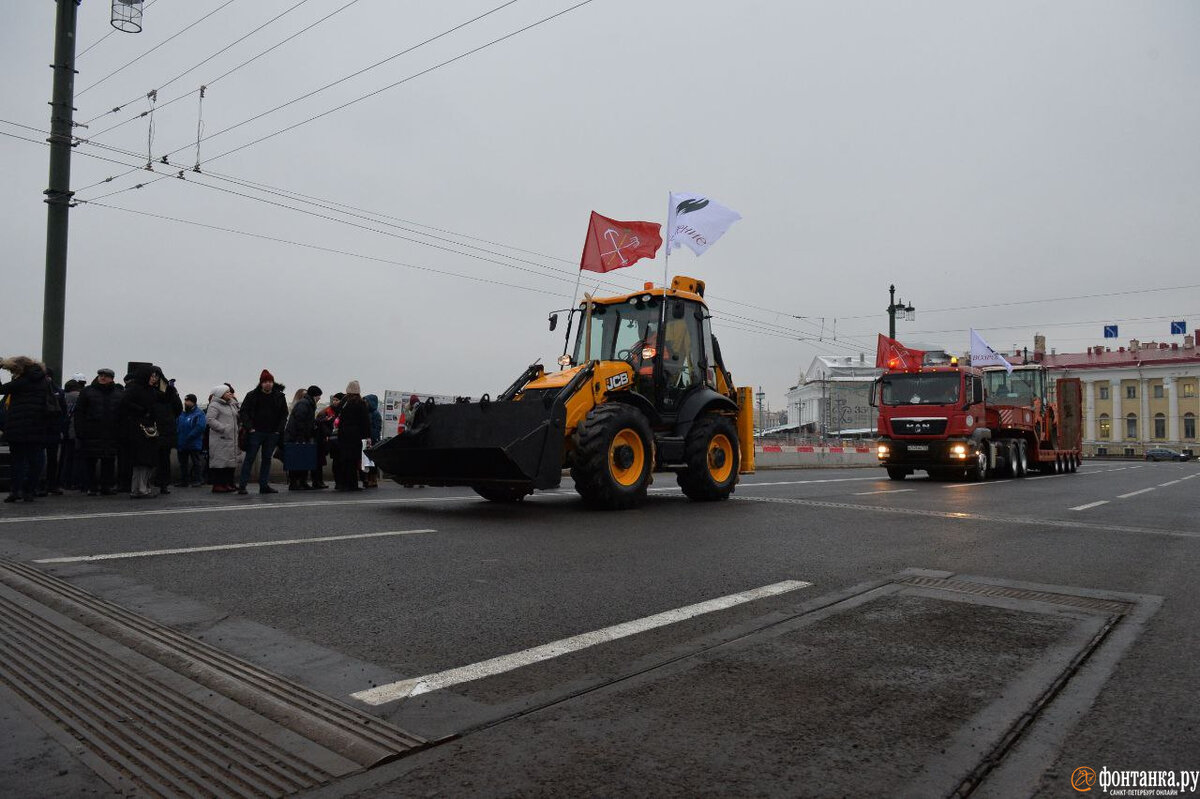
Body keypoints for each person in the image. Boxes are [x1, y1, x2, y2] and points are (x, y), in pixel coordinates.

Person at [0, 356, 51, 503]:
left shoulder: (21, 382)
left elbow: (1, 389)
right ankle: (30, 490)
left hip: (18, 427)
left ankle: (16, 491)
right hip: (37, 426)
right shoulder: (43, 381)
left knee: (18, 462)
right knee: (35, 461)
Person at [237, 369, 288, 495]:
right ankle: (242, 485)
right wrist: (250, 428)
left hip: (272, 433)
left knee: (267, 459)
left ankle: (264, 485)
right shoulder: (252, 395)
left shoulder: (279, 396)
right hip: (256, 432)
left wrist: (278, 430)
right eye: (265, 382)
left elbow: (284, 414)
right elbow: (243, 412)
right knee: (250, 458)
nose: (268, 384)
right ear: (261, 383)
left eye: (270, 381)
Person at [74, 368, 123, 495]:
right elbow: (79, 413)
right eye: (100, 375)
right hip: (92, 432)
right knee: (90, 461)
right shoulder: (87, 392)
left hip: (111, 433)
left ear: (112, 378)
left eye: (105, 376)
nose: (102, 377)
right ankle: (91, 486)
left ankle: (106, 486)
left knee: (109, 461)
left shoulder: (118, 394)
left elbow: (122, 415)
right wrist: (80, 431)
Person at [118, 366, 162, 499]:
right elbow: (124, 404)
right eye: (152, 376)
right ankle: (138, 489)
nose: (155, 379)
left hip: (148, 428)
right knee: (140, 460)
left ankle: (144, 487)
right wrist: (142, 410)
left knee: (148, 460)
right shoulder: (134, 389)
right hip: (137, 428)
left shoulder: (151, 390)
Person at [151, 367, 183, 495]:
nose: (153, 378)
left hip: (162, 428)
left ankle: (162, 483)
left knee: (163, 458)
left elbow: (178, 408)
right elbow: (178, 409)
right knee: (160, 458)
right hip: (161, 427)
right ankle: (161, 483)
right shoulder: (169, 391)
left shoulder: (168, 391)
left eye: (155, 376)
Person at [284, 385, 322, 490]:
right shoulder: (305, 404)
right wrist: (301, 437)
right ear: (315, 395)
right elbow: (300, 421)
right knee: (297, 459)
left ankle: (300, 482)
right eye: (319, 396)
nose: (319, 398)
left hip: (298, 436)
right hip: (297, 437)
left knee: (301, 459)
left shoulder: (305, 403)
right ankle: (296, 483)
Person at [335, 382, 370, 491]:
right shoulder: (360, 403)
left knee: (344, 459)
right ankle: (352, 484)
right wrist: (367, 436)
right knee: (354, 460)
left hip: (343, 434)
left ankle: (342, 483)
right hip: (356, 435)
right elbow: (365, 422)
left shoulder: (343, 402)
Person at [205, 385, 241, 493]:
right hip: (220, 438)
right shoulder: (214, 405)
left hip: (231, 437)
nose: (230, 394)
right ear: (221, 394)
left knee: (228, 462)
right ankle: (218, 484)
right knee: (220, 462)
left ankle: (227, 484)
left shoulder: (231, 404)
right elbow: (210, 420)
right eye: (227, 392)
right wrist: (223, 428)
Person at [39, 367, 67, 496]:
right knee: (45, 459)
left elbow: (63, 412)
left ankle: (47, 484)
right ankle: (47, 484)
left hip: (49, 429)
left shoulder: (56, 392)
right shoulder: (58, 392)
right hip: (49, 429)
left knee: (49, 459)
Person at [176, 394, 207, 487]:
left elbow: (200, 427)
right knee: (183, 463)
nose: (185, 402)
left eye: (188, 401)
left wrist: (190, 436)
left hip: (193, 442)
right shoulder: (181, 414)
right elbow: (177, 425)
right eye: (185, 400)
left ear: (193, 402)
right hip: (182, 442)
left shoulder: (199, 413)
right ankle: (184, 481)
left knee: (196, 462)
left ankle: (198, 479)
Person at [316, 392, 343, 490]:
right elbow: (322, 425)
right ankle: (336, 482)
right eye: (334, 400)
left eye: (337, 400)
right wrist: (328, 434)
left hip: (335, 439)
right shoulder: (326, 411)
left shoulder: (340, 411)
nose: (335, 402)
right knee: (334, 460)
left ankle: (339, 481)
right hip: (329, 439)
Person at [363, 393, 383, 488]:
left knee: (372, 461)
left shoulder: (375, 414)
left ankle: (373, 479)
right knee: (367, 461)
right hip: (368, 439)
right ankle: (368, 479)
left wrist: (371, 436)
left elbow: (376, 428)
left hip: (373, 440)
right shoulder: (368, 413)